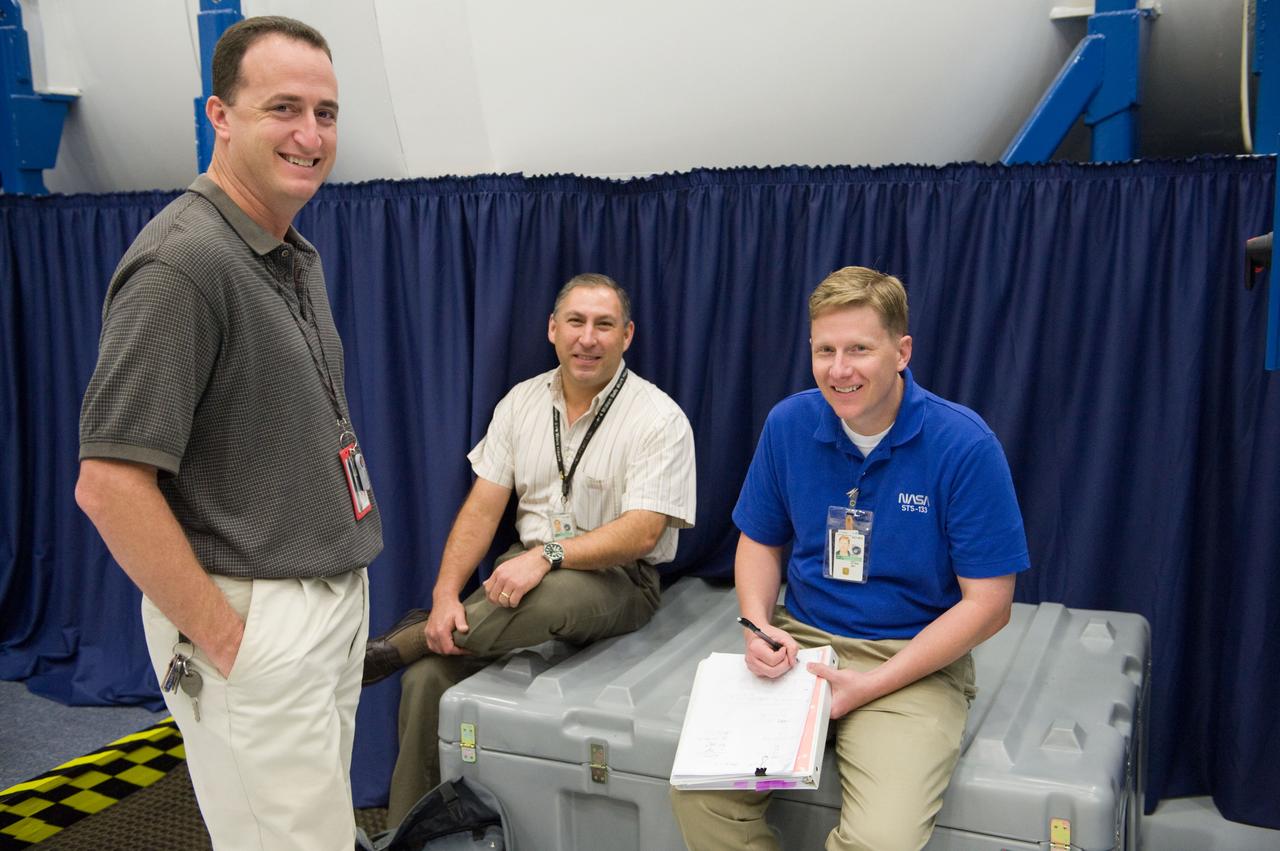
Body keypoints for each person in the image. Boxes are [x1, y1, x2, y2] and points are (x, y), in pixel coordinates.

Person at [75, 17, 381, 851]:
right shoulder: (183, 265)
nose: (310, 135)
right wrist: (226, 640)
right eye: (283, 107)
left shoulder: (288, 254)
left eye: (326, 112)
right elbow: (108, 484)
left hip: (325, 601)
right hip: (254, 618)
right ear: (220, 115)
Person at [671, 266, 1030, 851]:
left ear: (901, 351)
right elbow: (760, 541)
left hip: (912, 660)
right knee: (699, 796)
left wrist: (868, 686)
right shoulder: (789, 424)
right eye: (825, 350)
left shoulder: (964, 445)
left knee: (880, 843)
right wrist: (758, 627)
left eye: (859, 349)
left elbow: (990, 605)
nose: (840, 370)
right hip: (800, 648)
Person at [364, 273, 696, 823]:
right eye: (575, 321)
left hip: (618, 579)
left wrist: (548, 555)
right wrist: (447, 593)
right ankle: (409, 830)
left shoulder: (658, 418)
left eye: (604, 324)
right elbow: (481, 510)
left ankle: (396, 647)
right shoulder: (521, 402)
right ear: (552, 329)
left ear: (627, 335)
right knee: (426, 681)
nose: (588, 338)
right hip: (516, 574)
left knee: (556, 592)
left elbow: (642, 533)